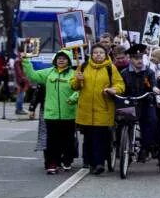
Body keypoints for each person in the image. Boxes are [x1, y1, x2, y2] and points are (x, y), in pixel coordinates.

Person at [71, 44, 125, 175]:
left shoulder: (110, 68)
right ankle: (91, 162)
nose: (98, 55)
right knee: (89, 138)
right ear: (91, 54)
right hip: (86, 110)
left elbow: (120, 84)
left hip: (104, 109)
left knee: (101, 137)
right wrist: (77, 80)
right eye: (95, 53)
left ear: (105, 54)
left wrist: (114, 90)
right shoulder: (83, 67)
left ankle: (100, 163)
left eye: (101, 52)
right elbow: (73, 86)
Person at [22, 49, 79, 174]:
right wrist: (26, 60)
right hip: (51, 114)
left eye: (64, 58)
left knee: (68, 140)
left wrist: (73, 98)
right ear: (55, 60)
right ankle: (52, 164)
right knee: (52, 141)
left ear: (69, 61)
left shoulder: (75, 74)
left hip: (68, 114)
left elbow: (80, 89)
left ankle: (67, 160)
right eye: (59, 58)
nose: (61, 60)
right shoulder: (48, 73)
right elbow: (32, 75)